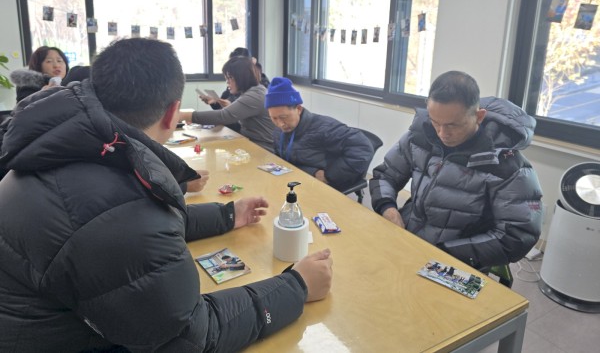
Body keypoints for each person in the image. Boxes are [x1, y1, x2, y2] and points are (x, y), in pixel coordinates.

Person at [0, 38, 333, 352]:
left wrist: (227, 215)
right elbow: (191, 336)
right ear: (173, 113)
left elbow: (119, 215)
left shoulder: (71, 148)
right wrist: (296, 286)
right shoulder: (122, 209)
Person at [369, 70, 543, 269]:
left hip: (458, 258)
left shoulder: (507, 166)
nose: (442, 133)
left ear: (479, 116)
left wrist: (446, 254)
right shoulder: (419, 137)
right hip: (408, 239)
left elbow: (517, 235)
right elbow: (385, 175)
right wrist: (388, 209)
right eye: (435, 122)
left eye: (453, 125)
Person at [265, 77, 374, 192]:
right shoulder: (279, 130)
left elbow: (363, 148)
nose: (280, 124)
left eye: (284, 117)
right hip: (295, 181)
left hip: (319, 187)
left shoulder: (324, 128)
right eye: (274, 118)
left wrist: (329, 176)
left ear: (298, 109)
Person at [180, 56, 277, 152]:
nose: (227, 82)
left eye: (230, 78)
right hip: (250, 143)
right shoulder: (252, 92)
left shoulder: (255, 95)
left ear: (241, 77)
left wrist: (185, 115)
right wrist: (229, 107)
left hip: (263, 149)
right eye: (226, 78)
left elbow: (223, 116)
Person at [199, 47, 270, 133]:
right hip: (239, 129)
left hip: (249, 134)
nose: (228, 81)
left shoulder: (257, 89)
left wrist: (190, 116)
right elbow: (224, 106)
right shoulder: (237, 84)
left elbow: (227, 116)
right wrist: (215, 102)